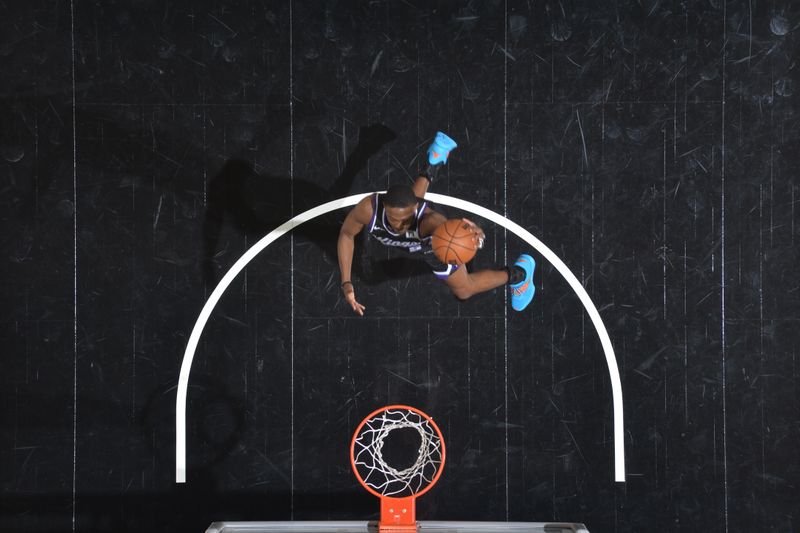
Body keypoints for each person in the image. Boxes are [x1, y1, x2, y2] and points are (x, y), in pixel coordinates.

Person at [337, 132, 536, 316]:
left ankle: (519, 275)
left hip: (428, 243)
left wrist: (475, 237)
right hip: (410, 210)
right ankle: (434, 160)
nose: (399, 225)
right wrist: (346, 282)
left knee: (464, 290)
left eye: (405, 218)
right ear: (383, 207)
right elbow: (346, 234)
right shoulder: (368, 209)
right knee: (407, 202)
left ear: (416, 209)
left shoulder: (432, 226)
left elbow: (456, 234)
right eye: (392, 218)